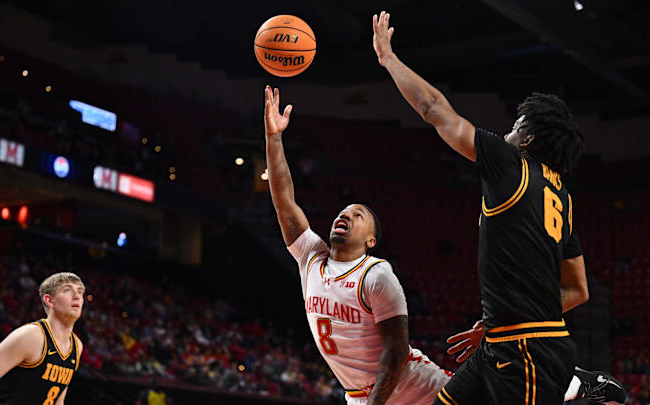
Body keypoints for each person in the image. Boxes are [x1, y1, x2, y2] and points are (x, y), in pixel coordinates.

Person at [371, 10, 625, 405]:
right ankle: (575, 382)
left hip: (527, 352)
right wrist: (501, 321)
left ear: (527, 138)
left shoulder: (510, 163)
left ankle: (578, 390)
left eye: (516, 123)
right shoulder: (561, 195)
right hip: (504, 342)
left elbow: (434, 108)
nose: (507, 129)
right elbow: (578, 289)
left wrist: (389, 59)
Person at [264, 84, 454, 405]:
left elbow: (395, 352)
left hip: (416, 389)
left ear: (371, 240)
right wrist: (274, 138)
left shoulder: (377, 274)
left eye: (358, 214)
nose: (346, 215)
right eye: (343, 211)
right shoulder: (311, 256)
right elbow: (284, 201)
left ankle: (562, 386)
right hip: (359, 396)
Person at [0, 272, 85, 405]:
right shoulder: (32, 335)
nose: (77, 296)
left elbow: (58, 400)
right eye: (67, 290)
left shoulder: (76, 346)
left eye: (80, 291)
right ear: (49, 300)